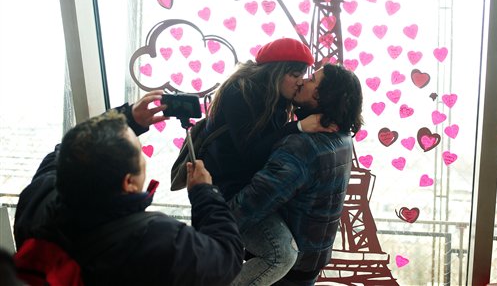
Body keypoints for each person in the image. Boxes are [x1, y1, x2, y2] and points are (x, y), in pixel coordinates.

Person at [13, 90, 244, 286]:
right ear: (129, 183)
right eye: (140, 154)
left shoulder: (36, 197)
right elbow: (226, 256)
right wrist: (205, 193)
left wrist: (129, 118)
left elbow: (67, 148)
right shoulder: (157, 240)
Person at [202, 38, 337, 284]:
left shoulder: (275, 97)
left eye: (305, 76)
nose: (300, 81)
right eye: (296, 74)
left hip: (250, 186)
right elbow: (252, 153)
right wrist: (297, 127)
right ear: (276, 71)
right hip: (226, 191)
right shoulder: (240, 92)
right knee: (281, 255)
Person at [229, 64, 364, 286]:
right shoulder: (342, 138)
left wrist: (211, 227)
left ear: (324, 96)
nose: (302, 81)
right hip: (310, 264)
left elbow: (252, 203)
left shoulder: (302, 146)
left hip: (283, 271)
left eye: (312, 79)